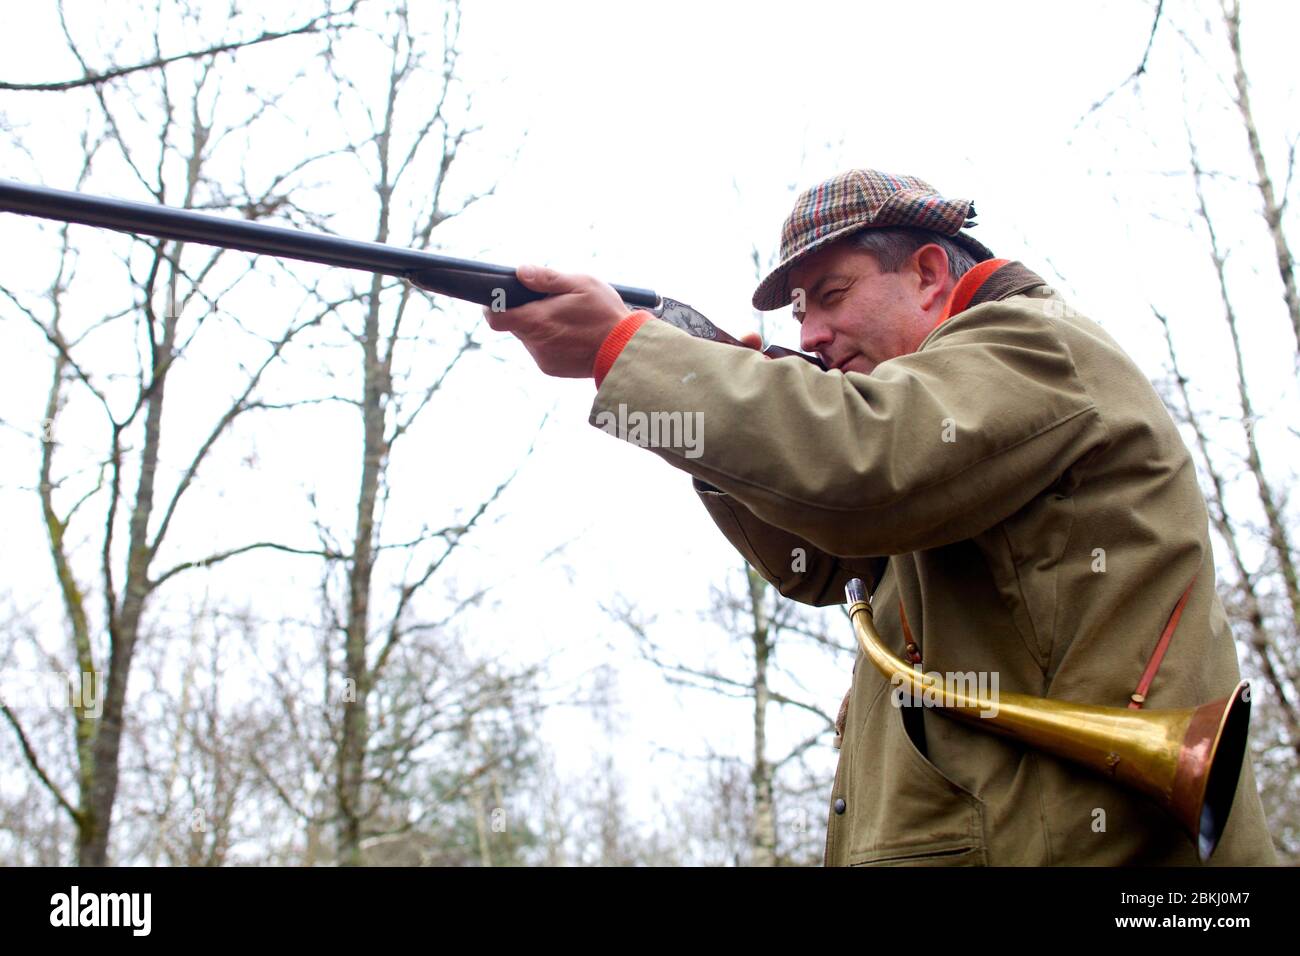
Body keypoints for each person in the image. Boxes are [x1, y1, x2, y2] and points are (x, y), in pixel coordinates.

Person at [483, 168, 1278, 866]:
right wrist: (704, 415)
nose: (812, 336)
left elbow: (856, 465)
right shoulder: (957, 418)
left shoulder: (1030, 343)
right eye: (798, 315)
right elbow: (824, 560)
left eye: (831, 296)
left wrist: (629, 352)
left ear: (931, 273)